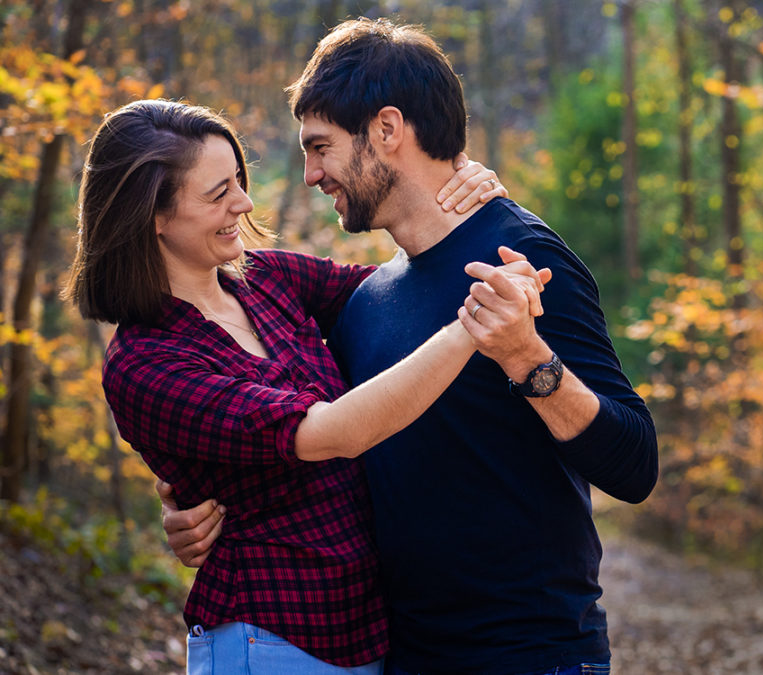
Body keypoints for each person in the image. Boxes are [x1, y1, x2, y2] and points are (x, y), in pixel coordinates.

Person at [165, 16, 659, 675]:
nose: (310, 174)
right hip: (397, 656)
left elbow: (634, 463)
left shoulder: (520, 259)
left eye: (320, 147)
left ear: (388, 130)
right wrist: (192, 498)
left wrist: (527, 359)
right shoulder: (365, 301)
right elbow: (296, 429)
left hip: (529, 655)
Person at [64, 99, 549, 673]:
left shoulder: (266, 279)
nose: (244, 204)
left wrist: (462, 203)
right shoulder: (146, 366)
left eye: (239, 182)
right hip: (268, 639)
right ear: (154, 216)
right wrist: (473, 327)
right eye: (219, 194)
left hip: (367, 631)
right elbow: (330, 432)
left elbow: (404, 291)